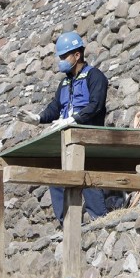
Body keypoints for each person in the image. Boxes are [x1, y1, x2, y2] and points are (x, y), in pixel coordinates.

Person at [18, 31, 110, 222]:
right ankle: (66, 221)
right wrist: (37, 118)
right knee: (56, 176)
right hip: (66, 138)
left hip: (88, 136)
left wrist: (74, 119)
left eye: (64, 56)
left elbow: (96, 104)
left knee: (86, 175)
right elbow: (54, 108)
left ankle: (99, 217)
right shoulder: (65, 82)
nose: (61, 60)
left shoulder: (95, 77)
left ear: (77, 55)